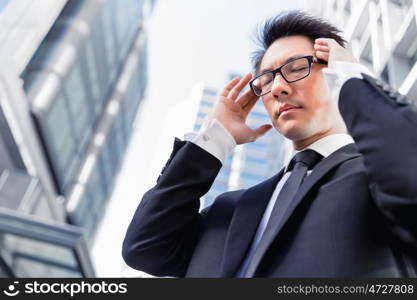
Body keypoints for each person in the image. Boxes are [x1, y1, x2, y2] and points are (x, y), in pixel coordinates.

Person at [122, 10, 417, 277]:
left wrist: (354, 78)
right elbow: (145, 247)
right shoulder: (229, 209)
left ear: (334, 71)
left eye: (295, 68)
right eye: (266, 80)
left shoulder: (378, 173)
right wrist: (214, 139)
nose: (277, 88)